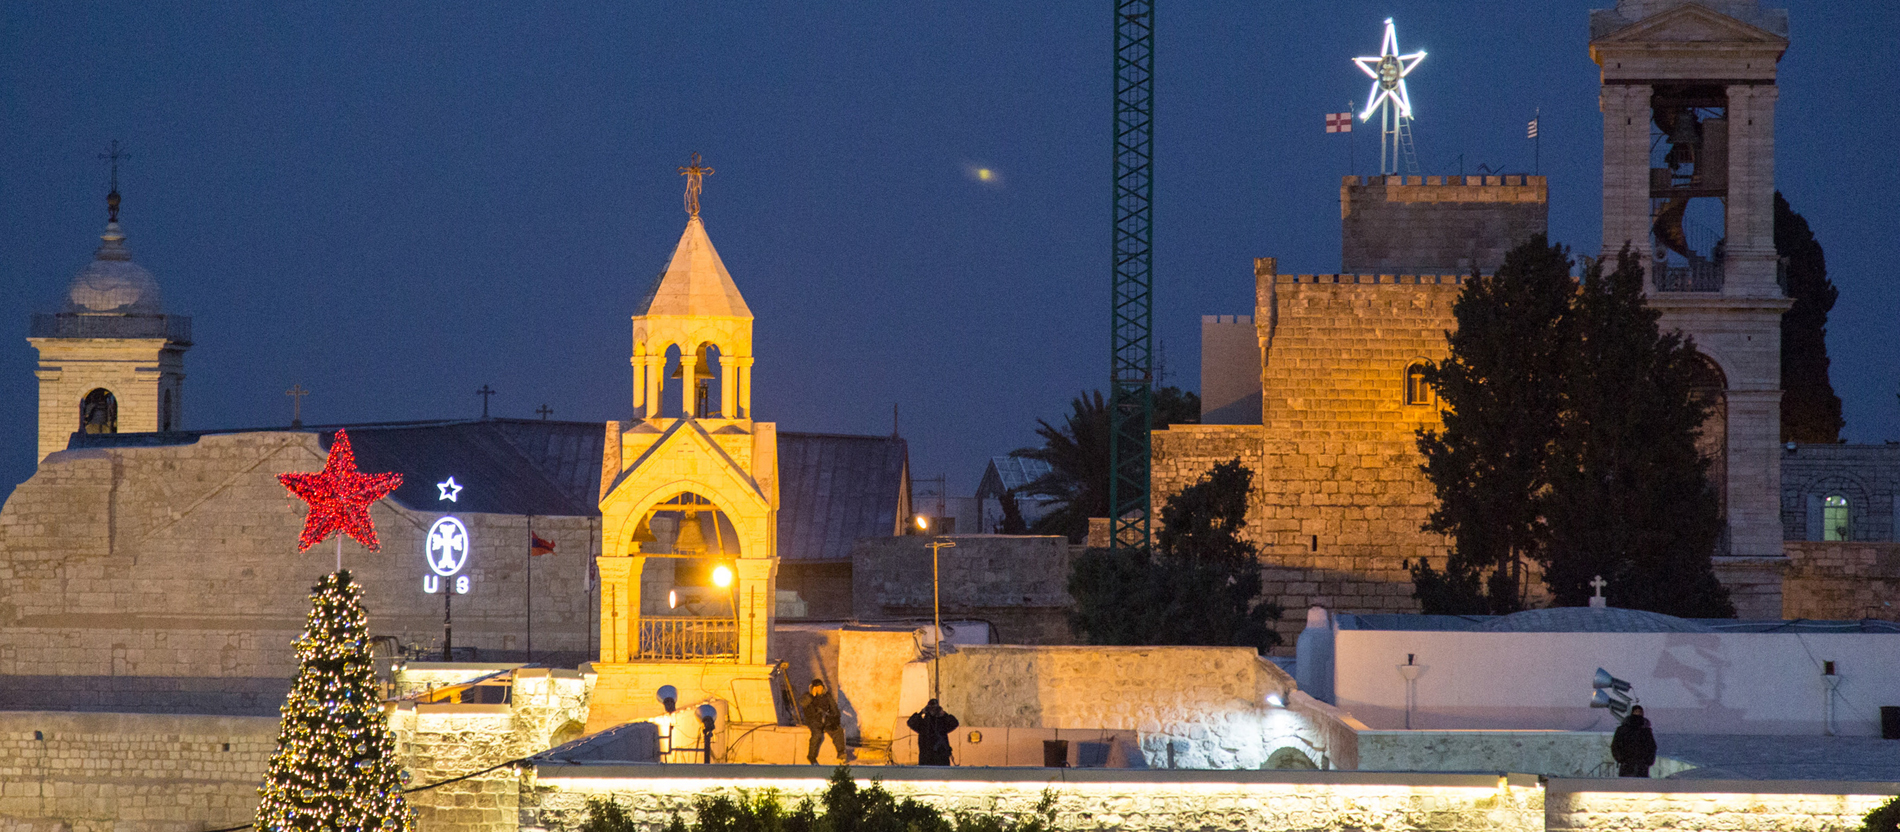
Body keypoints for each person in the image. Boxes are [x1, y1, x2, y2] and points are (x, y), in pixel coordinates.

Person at [800, 679, 848, 765]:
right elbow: (803, 703)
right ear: (813, 688)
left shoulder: (827, 696)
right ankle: (811, 756)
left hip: (826, 720)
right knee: (817, 735)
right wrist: (812, 696)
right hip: (814, 721)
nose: (819, 689)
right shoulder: (807, 696)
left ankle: (841, 753)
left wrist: (834, 720)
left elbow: (835, 710)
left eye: (820, 687)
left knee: (838, 731)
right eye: (817, 687)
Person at [906, 699, 960, 766]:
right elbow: (910, 722)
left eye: (934, 708)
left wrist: (943, 714)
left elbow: (954, 723)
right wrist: (921, 712)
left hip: (941, 757)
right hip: (926, 757)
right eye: (931, 708)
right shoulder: (923, 724)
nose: (933, 710)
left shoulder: (942, 723)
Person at [1611, 704, 1657, 777]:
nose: (1638, 714)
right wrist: (1621, 759)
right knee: (1629, 785)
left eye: (1640, 712)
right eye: (1636, 711)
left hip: (1640, 765)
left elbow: (1652, 746)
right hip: (1628, 764)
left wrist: (1648, 761)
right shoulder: (1623, 729)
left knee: (1638, 786)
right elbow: (1616, 745)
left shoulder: (1646, 730)